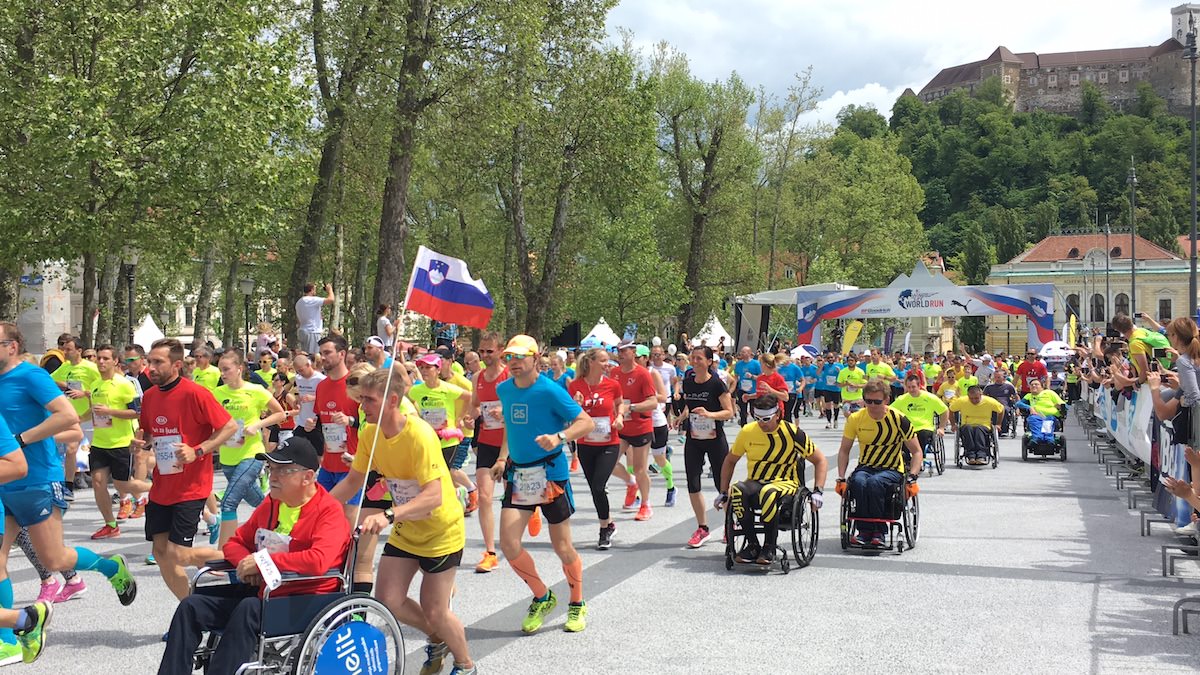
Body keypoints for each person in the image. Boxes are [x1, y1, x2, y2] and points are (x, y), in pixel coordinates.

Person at [157, 436, 350, 675]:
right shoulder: (272, 503)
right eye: (272, 468)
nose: (273, 476)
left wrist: (262, 564)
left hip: (304, 597)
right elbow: (235, 542)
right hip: (264, 592)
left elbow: (318, 561)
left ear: (308, 477)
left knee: (249, 607)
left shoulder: (328, 512)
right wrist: (246, 565)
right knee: (192, 605)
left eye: (283, 470)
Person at [330, 367, 477, 675]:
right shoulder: (370, 433)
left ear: (392, 400)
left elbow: (434, 495)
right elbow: (354, 480)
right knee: (388, 600)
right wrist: (318, 508)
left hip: (440, 531)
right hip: (406, 529)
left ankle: (465, 666)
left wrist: (387, 515)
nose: (362, 406)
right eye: (361, 400)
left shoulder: (419, 434)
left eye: (369, 400)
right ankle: (439, 639)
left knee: (437, 610)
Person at [492, 335, 594, 634]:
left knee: (562, 546)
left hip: (550, 473)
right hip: (519, 475)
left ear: (536, 358)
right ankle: (542, 596)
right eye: (509, 357)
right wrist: (501, 458)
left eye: (520, 357)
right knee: (509, 545)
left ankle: (576, 603)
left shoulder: (550, 390)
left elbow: (585, 422)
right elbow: (511, 427)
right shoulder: (505, 389)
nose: (513, 363)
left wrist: (559, 437)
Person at [136, 337, 239, 600]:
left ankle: (242, 559)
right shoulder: (148, 396)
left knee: (179, 554)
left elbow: (229, 427)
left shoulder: (195, 393)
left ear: (177, 365)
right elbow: (148, 432)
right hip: (162, 487)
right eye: (150, 362)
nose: (151, 368)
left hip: (191, 488)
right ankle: (190, 610)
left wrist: (199, 450)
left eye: (158, 362)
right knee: (161, 553)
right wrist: (140, 442)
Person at [717, 394, 827, 565]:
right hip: (756, 480)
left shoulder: (791, 432)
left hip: (785, 482)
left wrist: (818, 491)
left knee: (768, 492)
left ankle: (769, 545)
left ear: (777, 414)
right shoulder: (747, 431)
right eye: (757, 418)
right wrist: (723, 492)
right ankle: (753, 544)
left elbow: (820, 460)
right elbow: (730, 461)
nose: (762, 423)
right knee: (737, 490)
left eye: (766, 419)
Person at [213, 350, 288, 545]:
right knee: (258, 501)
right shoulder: (216, 394)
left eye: (227, 369)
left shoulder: (255, 390)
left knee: (229, 503)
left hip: (252, 454)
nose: (223, 373)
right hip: (227, 456)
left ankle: (224, 554)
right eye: (221, 370)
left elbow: (280, 414)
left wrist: (256, 425)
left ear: (239, 369)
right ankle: (285, 522)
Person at [835, 381, 922, 547]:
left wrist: (913, 477)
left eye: (877, 402)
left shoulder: (899, 419)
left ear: (887, 400)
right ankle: (864, 531)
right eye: (868, 402)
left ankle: (879, 531)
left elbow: (916, 451)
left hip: (892, 468)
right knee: (859, 482)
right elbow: (844, 450)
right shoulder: (856, 418)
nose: (872, 406)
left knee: (875, 483)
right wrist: (841, 477)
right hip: (866, 466)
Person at [88, 344, 151, 540]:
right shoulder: (95, 384)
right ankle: (110, 524)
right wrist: (72, 417)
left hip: (121, 442)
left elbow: (137, 411)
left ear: (115, 361)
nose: (100, 362)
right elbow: (91, 411)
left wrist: (110, 412)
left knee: (123, 485)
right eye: (98, 358)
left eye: (105, 358)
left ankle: (158, 490)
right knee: (98, 482)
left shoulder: (124, 384)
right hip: (99, 442)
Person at [676, 346, 735, 548]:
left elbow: (729, 412)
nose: (694, 361)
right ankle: (703, 528)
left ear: (709, 362)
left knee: (722, 484)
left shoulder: (717, 384)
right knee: (693, 482)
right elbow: (690, 405)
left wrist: (710, 415)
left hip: (715, 438)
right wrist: (682, 417)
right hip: (694, 438)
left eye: (699, 358)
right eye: (693, 358)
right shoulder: (688, 382)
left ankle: (730, 526)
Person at [568, 348, 626, 549]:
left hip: (609, 442)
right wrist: (575, 405)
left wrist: (619, 417)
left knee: (599, 485)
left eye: (608, 360)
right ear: (591, 362)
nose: (607, 364)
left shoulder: (613, 385)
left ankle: (604, 529)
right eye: (603, 360)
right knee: (595, 488)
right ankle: (608, 522)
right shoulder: (575, 385)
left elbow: (620, 404)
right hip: (586, 443)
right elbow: (569, 414)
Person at [468, 333, 508, 573]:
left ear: (500, 350)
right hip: (486, 442)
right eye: (481, 352)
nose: (484, 356)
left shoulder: (509, 376)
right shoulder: (477, 377)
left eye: (489, 352)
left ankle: (533, 507)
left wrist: (503, 408)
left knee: (515, 497)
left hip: (510, 442)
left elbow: (521, 405)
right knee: (485, 497)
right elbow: (475, 405)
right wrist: (468, 416)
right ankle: (490, 552)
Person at [612, 341, 659, 521]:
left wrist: (632, 407)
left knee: (640, 469)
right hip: (621, 426)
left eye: (624, 351)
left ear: (633, 353)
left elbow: (653, 402)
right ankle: (631, 483)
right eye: (619, 351)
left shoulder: (643, 374)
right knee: (608, 463)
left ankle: (646, 504)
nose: (621, 354)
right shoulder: (614, 373)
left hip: (640, 426)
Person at [50, 335, 100, 501]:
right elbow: (48, 380)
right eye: (64, 348)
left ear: (79, 351)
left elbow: (102, 387)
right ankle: (68, 486)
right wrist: (63, 385)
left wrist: (84, 393)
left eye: (69, 349)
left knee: (97, 451)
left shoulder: (91, 367)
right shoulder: (64, 367)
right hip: (73, 417)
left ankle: (108, 481)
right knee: (71, 449)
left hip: (90, 416)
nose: (65, 351)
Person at [645, 345, 678, 506]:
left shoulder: (659, 371)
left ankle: (671, 487)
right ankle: (637, 495)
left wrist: (676, 392)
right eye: (654, 354)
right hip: (637, 422)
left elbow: (667, 391)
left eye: (658, 354)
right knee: (634, 461)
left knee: (659, 458)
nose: (656, 357)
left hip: (659, 413)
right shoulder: (626, 374)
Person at [890, 373, 947, 464]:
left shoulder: (930, 397)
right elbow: (890, 411)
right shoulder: (902, 399)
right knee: (901, 436)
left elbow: (944, 411)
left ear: (919, 385)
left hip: (925, 428)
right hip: (908, 428)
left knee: (922, 435)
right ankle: (907, 460)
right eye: (909, 387)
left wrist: (941, 427)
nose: (911, 390)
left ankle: (920, 458)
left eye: (913, 387)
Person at [949, 385, 1005, 465]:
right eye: (971, 398)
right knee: (968, 428)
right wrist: (953, 424)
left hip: (984, 425)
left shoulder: (989, 401)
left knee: (979, 429)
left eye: (976, 398)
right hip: (967, 424)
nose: (974, 400)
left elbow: (1001, 409)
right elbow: (951, 410)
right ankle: (971, 455)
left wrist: (998, 424)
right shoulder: (962, 401)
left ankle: (981, 455)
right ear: (968, 396)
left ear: (980, 395)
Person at [294, 283, 335, 354]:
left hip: (302, 331)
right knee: (313, 355)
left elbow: (299, 319)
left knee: (304, 354)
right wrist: (330, 290)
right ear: (312, 290)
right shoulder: (311, 300)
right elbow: (331, 299)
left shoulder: (299, 302)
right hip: (312, 331)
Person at [732, 347, 761, 425]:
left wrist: (752, 376)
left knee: (753, 411)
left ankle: (757, 426)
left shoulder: (756, 363)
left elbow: (762, 377)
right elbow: (735, 377)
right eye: (741, 352)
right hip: (742, 390)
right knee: (742, 412)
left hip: (753, 391)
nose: (742, 354)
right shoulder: (738, 364)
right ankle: (743, 428)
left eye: (744, 352)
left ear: (749, 353)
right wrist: (732, 388)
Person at [815, 353, 843, 429]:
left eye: (831, 357)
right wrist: (822, 363)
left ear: (834, 358)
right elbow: (817, 373)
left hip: (836, 389)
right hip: (827, 388)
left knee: (836, 405)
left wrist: (839, 371)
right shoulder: (825, 366)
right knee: (828, 406)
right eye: (828, 358)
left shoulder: (839, 365)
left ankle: (836, 420)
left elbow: (843, 376)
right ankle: (829, 422)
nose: (830, 359)